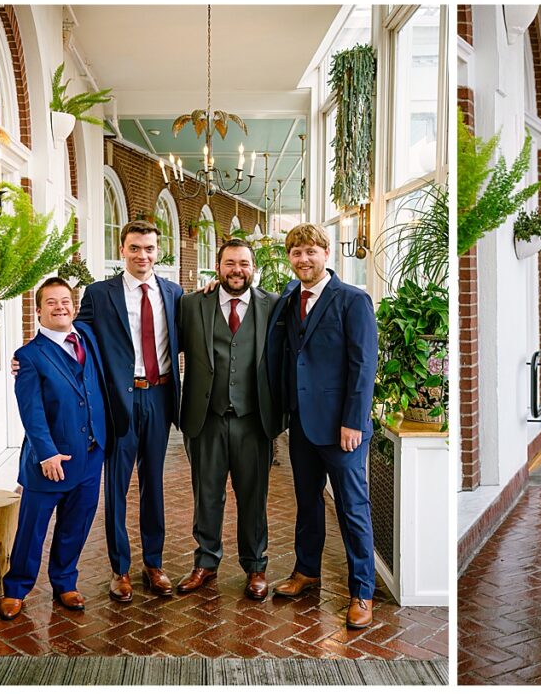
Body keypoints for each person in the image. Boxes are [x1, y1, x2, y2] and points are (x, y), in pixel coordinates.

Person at [266, 223, 379, 629]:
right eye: (296, 253)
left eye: (311, 251)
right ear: (289, 257)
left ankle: (362, 591)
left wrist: (353, 421)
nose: (304, 259)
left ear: (326, 253)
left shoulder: (352, 300)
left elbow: (363, 366)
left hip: (341, 429)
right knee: (308, 502)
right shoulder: (286, 299)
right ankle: (306, 571)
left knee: (352, 508)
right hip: (301, 425)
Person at [76, 219, 182, 602]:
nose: (143, 255)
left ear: (159, 251)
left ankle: (153, 564)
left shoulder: (173, 293)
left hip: (160, 396)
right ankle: (119, 569)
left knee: (154, 483)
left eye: (149, 248)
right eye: (135, 248)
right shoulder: (99, 294)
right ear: (122, 250)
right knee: (117, 486)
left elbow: (192, 333)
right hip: (118, 399)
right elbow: (78, 338)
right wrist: (37, 356)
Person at [176, 238, 281, 600]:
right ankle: (205, 562)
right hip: (206, 418)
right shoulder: (191, 304)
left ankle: (255, 567)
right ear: (217, 267)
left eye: (244, 264)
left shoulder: (274, 306)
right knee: (207, 495)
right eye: (230, 263)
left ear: (254, 268)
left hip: (254, 420)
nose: (237, 270)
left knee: (254, 496)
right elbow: (156, 344)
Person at [0, 278, 108, 620]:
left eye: (65, 300)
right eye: (51, 302)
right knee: (32, 530)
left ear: (74, 306)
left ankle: (65, 582)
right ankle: (16, 588)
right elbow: (31, 412)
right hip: (50, 461)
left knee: (76, 525)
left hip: (90, 456)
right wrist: (46, 453)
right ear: (38, 310)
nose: (60, 307)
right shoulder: (28, 356)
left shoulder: (87, 338)